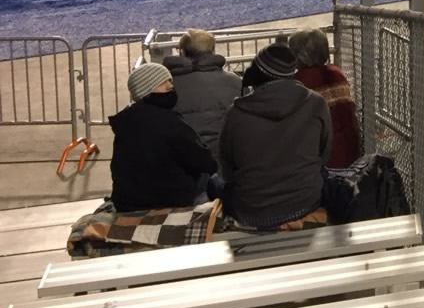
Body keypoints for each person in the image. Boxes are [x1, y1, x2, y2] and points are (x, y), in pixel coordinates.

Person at [218, 44, 330, 228]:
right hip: (305, 204)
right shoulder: (317, 103)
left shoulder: (236, 113)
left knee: (214, 183)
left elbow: (227, 169)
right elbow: (323, 155)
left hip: (251, 211)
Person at [109, 63, 216, 211]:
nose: (170, 86)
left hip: (127, 203)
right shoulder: (168, 121)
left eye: (169, 80)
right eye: (161, 83)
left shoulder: (125, 122)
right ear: (145, 91)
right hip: (168, 201)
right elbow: (203, 161)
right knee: (215, 180)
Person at [288, 28, 361, 169]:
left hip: (323, 158)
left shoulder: (299, 82)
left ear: (301, 55)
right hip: (351, 150)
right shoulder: (337, 73)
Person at [163, 29, 241, 158]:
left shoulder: (168, 86)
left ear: (182, 52)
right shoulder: (234, 81)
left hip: (183, 158)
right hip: (224, 156)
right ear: (212, 51)